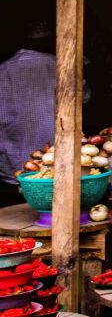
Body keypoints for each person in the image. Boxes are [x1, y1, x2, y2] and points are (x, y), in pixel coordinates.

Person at [0, 22, 56, 203]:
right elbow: (84, 97)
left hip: (14, 157)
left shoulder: (4, 69)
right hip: (53, 155)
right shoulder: (58, 65)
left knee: (19, 205)